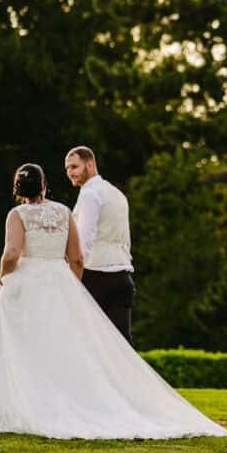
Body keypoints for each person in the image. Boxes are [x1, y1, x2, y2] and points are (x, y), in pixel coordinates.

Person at [0, 163, 227, 440]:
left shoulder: (17, 215)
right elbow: (76, 256)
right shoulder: (63, 212)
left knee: (17, 345)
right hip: (58, 280)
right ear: (44, 186)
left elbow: (11, 254)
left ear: (18, 190)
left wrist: (1, 276)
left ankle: (21, 402)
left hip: (26, 282)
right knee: (63, 348)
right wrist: (70, 285)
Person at [64, 146, 136, 345]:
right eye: (67, 168)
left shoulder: (90, 194)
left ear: (90, 164)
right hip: (123, 278)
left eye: (74, 166)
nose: (70, 172)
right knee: (122, 349)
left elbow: (83, 243)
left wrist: (74, 279)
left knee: (89, 347)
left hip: (96, 278)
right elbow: (125, 239)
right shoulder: (117, 194)